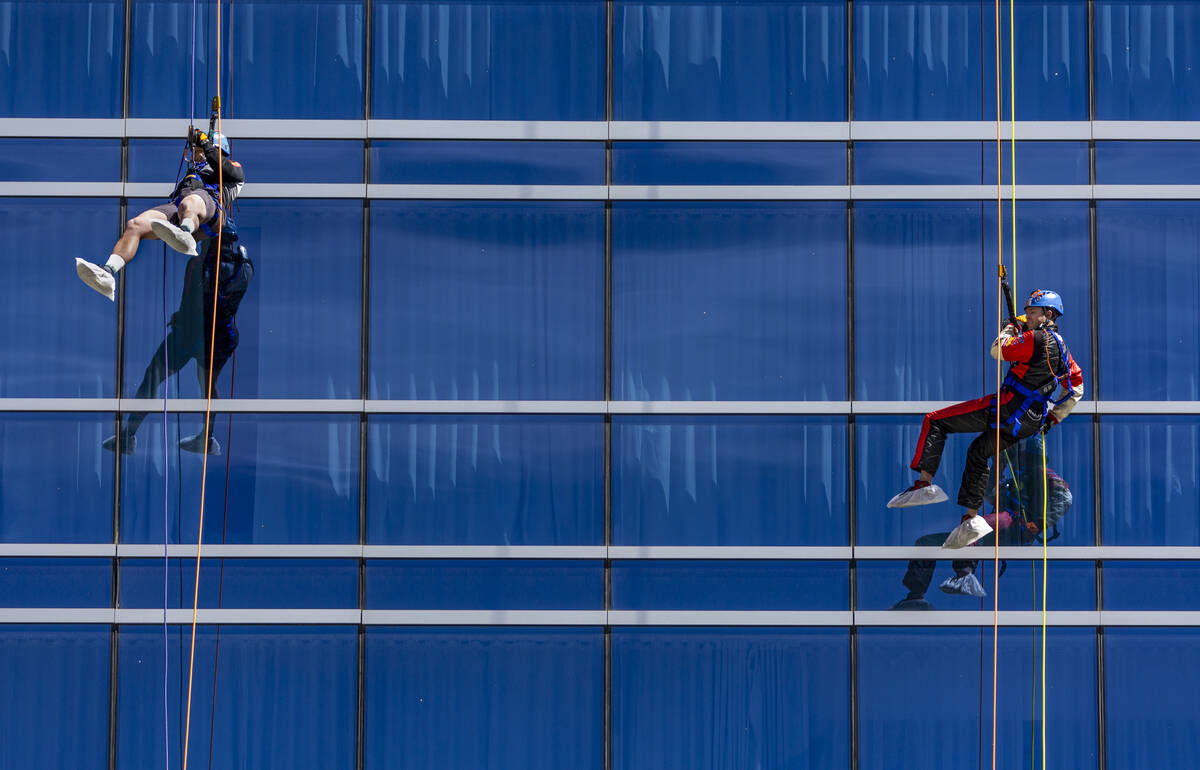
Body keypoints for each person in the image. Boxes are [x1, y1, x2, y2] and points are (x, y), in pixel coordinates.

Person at [887, 289, 1085, 549]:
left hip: (1007, 406)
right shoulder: (1062, 348)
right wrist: (1052, 419)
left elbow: (998, 350)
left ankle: (924, 483)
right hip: (1028, 421)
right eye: (1026, 312)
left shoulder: (1036, 338)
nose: (1027, 316)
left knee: (935, 420)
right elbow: (1076, 389)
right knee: (979, 452)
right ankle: (971, 519)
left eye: (1032, 312)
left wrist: (1008, 329)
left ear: (1048, 314)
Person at [103, 223, 254, 456]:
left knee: (153, 377)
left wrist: (181, 319)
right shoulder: (243, 266)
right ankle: (208, 436)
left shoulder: (198, 263)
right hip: (222, 334)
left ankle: (129, 434)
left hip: (191, 333)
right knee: (208, 387)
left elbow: (193, 299)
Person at [891, 435, 1074, 610]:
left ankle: (964, 573)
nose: (1022, 462)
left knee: (972, 527)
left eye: (1025, 457)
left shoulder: (1044, 476)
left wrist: (1041, 523)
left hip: (1015, 526)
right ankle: (915, 595)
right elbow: (989, 495)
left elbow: (1064, 498)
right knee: (927, 542)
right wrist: (997, 467)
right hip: (995, 530)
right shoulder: (1014, 482)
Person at [76, 128, 244, 301]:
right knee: (136, 225)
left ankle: (185, 233)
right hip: (183, 207)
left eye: (200, 152)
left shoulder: (232, 169)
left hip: (211, 209)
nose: (196, 156)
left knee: (190, 203)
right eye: (196, 151)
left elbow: (223, 167)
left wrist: (206, 144)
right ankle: (108, 272)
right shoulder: (195, 172)